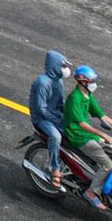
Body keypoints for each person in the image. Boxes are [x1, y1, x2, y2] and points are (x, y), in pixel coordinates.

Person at [62, 65, 112, 210]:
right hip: (78, 136)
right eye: (92, 81)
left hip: (89, 135)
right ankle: (91, 193)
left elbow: (102, 116)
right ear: (82, 80)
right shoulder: (75, 98)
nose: (94, 83)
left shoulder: (87, 96)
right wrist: (103, 135)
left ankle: (106, 185)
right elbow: (82, 124)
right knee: (108, 165)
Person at [27, 51, 73, 184]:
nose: (65, 69)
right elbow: (41, 109)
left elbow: (60, 103)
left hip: (54, 116)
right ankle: (54, 168)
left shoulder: (58, 81)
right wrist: (57, 119)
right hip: (41, 119)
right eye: (63, 66)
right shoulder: (42, 83)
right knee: (55, 136)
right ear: (55, 65)